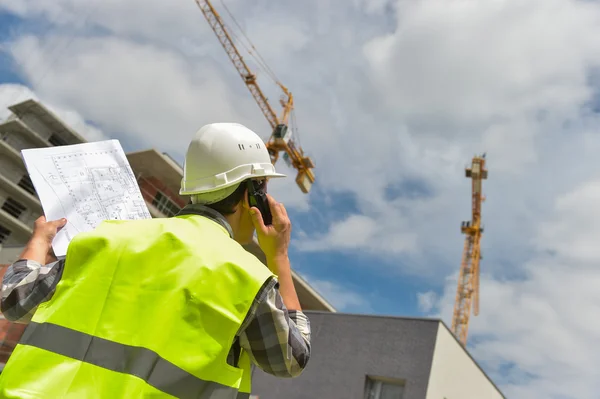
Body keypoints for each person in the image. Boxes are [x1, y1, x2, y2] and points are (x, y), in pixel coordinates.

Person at [0, 123, 311, 398]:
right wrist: (278, 256)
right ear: (251, 195)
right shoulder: (247, 277)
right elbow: (292, 359)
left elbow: (14, 300)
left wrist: (40, 239)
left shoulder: (108, 239)